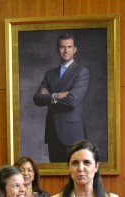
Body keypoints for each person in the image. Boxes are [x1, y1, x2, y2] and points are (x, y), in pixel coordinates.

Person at [33, 33, 90, 163]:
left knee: (73, 173)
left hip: (72, 132)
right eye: (62, 47)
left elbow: (72, 101)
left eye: (69, 47)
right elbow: (37, 98)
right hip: (53, 131)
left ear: (75, 49)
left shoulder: (82, 72)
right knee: (55, 172)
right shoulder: (50, 74)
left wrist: (49, 96)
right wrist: (57, 95)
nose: (66, 50)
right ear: (57, 49)